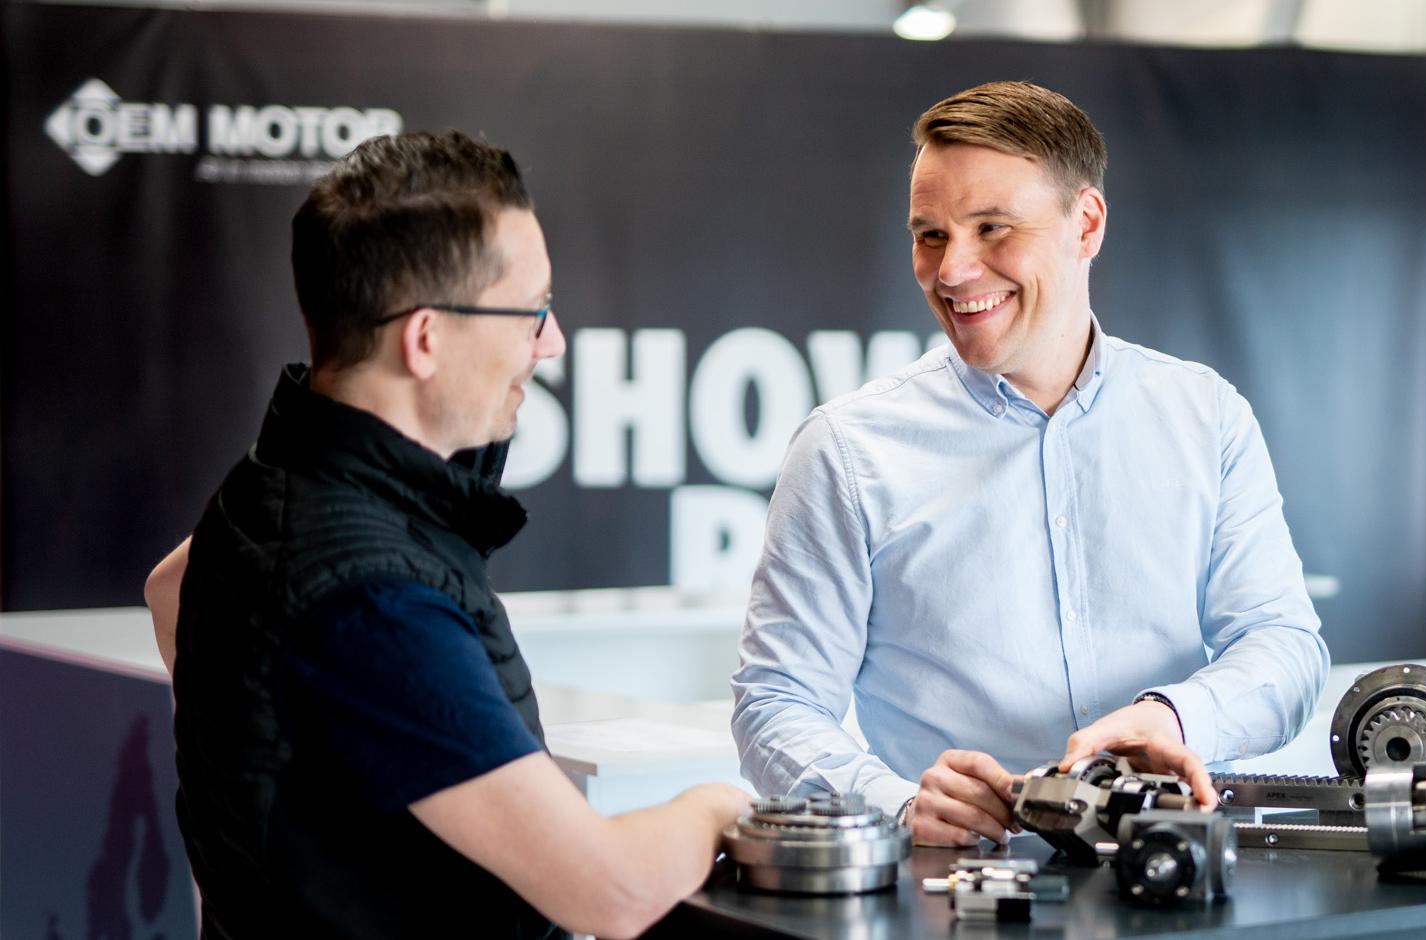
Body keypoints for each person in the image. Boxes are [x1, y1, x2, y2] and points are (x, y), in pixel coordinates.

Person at [145, 131, 748, 938]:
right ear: (425, 337)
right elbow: (612, 890)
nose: (552, 343)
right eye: (531, 312)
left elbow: (170, 589)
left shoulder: (277, 482)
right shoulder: (373, 596)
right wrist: (719, 805)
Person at [730, 81, 1330, 848]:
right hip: (953, 885)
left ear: (1086, 224)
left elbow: (1283, 645)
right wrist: (898, 805)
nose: (952, 271)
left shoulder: (1205, 416)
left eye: (992, 228)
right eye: (930, 235)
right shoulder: (847, 449)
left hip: (1172, 870)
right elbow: (775, 703)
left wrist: (1173, 717)